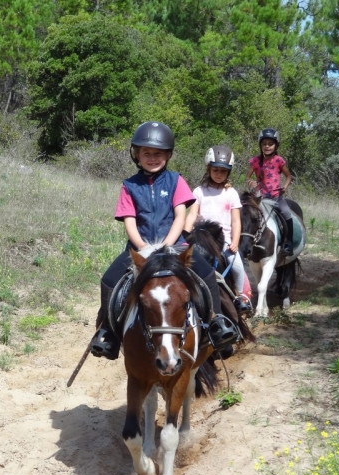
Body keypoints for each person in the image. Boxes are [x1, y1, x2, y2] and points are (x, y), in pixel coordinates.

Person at [89, 122, 239, 360]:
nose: (152, 158)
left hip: (175, 245)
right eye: (146, 153)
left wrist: (168, 244)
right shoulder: (129, 186)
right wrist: (143, 248)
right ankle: (108, 332)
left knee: (208, 274)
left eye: (158, 153)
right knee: (109, 280)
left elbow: (180, 215)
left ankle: (215, 322)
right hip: (140, 246)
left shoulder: (175, 180)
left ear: (168, 155)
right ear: (136, 155)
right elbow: (129, 221)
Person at [184, 145, 252, 313]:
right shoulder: (199, 191)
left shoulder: (231, 193)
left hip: (223, 240)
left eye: (223, 171)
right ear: (209, 169)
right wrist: (185, 237)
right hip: (200, 239)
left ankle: (240, 296)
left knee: (236, 265)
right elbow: (192, 215)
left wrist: (235, 242)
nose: (219, 174)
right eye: (215, 170)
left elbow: (236, 221)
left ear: (228, 172)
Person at [246, 128, 294, 256]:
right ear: (260, 145)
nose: (267, 146)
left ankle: (288, 243)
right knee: (246, 213)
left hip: (275, 196)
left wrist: (285, 186)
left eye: (270, 144)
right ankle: (244, 242)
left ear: (276, 145)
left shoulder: (279, 160)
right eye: (264, 144)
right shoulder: (255, 161)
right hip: (259, 197)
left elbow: (289, 176)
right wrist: (251, 182)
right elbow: (248, 177)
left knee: (287, 214)